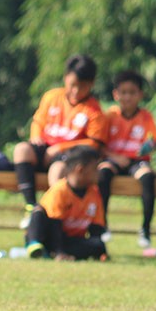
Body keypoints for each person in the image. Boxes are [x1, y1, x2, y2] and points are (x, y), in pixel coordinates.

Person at [13, 54, 108, 227]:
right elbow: (38, 122)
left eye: (82, 86)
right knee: (21, 150)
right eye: (72, 85)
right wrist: (35, 136)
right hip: (45, 148)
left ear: (92, 84)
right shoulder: (51, 97)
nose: (76, 91)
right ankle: (31, 207)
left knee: (57, 171)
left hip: (68, 156)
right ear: (65, 79)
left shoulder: (94, 110)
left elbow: (94, 143)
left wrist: (59, 148)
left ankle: (53, 216)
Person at [97, 70, 156, 252]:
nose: (128, 97)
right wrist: (115, 157)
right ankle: (103, 224)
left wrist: (145, 148)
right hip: (114, 159)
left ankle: (145, 229)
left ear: (140, 95)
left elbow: (154, 142)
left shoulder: (146, 116)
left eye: (132, 93)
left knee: (148, 177)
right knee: (103, 172)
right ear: (116, 94)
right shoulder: (109, 116)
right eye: (123, 92)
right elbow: (99, 145)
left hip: (137, 161)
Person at [25, 145, 108, 261]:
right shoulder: (60, 190)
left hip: (71, 239)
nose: (98, 173)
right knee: (38, 211)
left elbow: (96, 228)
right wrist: (60, 252)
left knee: (97, 245)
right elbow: (55, 224)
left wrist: (100, 252)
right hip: (51, 236)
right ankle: (35, 245)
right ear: (80, 169)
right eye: (95, 169)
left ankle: (53, 253)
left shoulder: (94, 193)